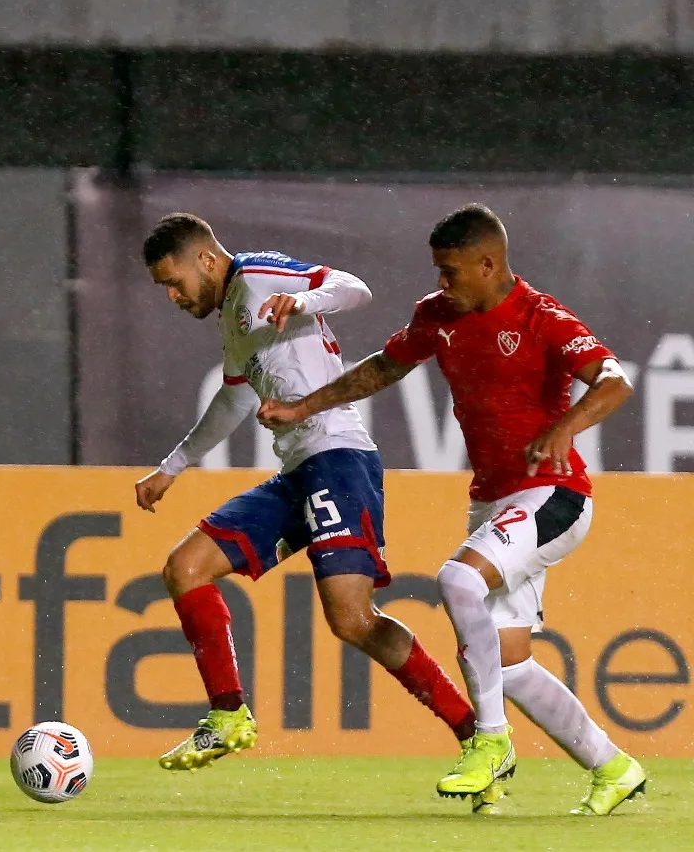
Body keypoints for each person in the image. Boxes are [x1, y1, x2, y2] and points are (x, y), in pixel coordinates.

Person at [258, 203, 645, 815]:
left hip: (555, 494)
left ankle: (489, 742)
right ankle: (614, 767)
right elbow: (385, 367)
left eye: (452, 271)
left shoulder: (542, 319)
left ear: (489, 264)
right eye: (438, 271)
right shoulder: (436, 316)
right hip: (494, 498)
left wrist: (567, 427)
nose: (442, 283)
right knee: (510, 663)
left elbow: (615, 380)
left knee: (457, 579)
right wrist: (304, 407)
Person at [136, 213, 476, 773]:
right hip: (299, 470)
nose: (172, 295)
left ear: (205, 259)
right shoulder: (233, 318)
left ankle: (475, 733)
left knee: (352, 620)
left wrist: (306, 301)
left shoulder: (260, 276)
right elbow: (235, 400)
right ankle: (227, 715)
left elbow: (355, 289)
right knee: (185, 567)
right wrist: (173, 467)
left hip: (339, 459)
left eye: (174, 281)